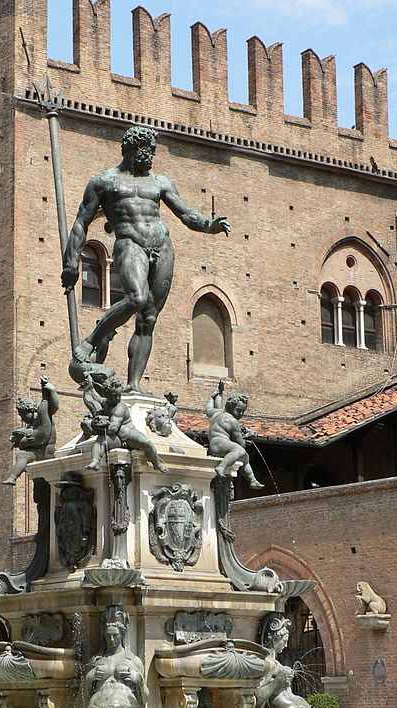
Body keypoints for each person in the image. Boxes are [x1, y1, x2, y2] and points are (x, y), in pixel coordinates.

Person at [62, 125, 230, 392]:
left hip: (162, 246)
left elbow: (185, 214)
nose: (151, 157)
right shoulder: (104, 182)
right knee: (136, 298)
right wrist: (71, 262)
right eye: (147, 151)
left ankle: (134, 385)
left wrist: (208, 225)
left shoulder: (160, 182)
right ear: (132, 149)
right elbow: (81, 223)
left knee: (148, 318)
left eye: (152, 152)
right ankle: (91, 341)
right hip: (130, 244)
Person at [71, 607, 148, 708]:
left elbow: (144, 698)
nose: (111, 639)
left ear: (122, 634)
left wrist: (138, 680)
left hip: (124, 707)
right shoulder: (96, 661)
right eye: (108, 636)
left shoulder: (133, 661)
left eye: (115, 636)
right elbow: (84, 697)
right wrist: (88, 679)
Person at [85, 376, 167, 472]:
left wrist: (96, 427)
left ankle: (156, 463)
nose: (117, 398)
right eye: (113, 396)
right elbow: (95, 397)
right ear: (106, 394)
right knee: (101, 441)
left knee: (146, 442)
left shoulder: (120, 407)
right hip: (117, 439)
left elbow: (113, 429)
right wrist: (89, 386)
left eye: (119, 395)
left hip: (128, 435)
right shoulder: (106, 403)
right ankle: (95, 462)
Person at [205, 381, 264, 488]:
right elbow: (240, 444)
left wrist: (212, 397)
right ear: (231, 407)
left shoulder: (217, 413)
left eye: (243, 411)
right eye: (238, 410)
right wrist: (247, 438)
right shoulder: (233, 422)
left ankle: (252, 480)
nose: (240, 414)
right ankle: (221, 467)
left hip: (214, 444)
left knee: (245, 457)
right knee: (241, 451)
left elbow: (208, 409)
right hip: (220, 445)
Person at [1, 375, 59, 485]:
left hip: (45, 452)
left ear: (27, 410)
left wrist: (24, 438)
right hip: (39, 451)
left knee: (22, 455)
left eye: (22, 414)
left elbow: (43, 434)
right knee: (22, 455)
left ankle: (12, 478)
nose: (22, 418)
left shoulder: (42, 414)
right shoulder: (33, 423)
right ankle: (12, 478)